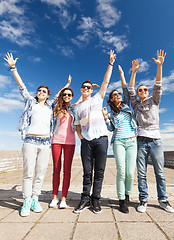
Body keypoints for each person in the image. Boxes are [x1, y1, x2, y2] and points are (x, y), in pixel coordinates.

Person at [4, 52, 70, 217]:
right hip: (30, 141)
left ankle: (35, 198)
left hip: (46, 143)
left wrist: (67, 84)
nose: (41, 92)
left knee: (40, 173)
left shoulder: (50, 106)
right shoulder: (30, 102)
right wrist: (13, 68)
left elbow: (59, 96)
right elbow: (22, 86)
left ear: (48, 95)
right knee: (28, 173)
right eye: (39, 90)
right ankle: (26, 201)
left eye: (44, 91)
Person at [128, 50, 174, 213]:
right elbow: (130, 89)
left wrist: (160, 66)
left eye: (144, 90)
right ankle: (143, 200)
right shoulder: (135, 105)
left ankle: (163, 200)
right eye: (140, 90)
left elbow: (158, 85)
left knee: (159, 173)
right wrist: (133, 72)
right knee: (141, 173)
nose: (142, 92)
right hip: (141, 141)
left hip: (156, 141)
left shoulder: (154, 100)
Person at [73, 50, 116, 214]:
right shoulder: (78, 107)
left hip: (101, 140)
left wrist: (110, 63)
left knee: (99, 172)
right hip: (86, 141)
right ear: (81, 89)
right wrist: (81, 137)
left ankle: (95, 200)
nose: (85, 89)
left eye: (88, 87)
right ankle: (84, 200)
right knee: (86, 171)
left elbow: (106, 81)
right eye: (83, 87)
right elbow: (77, 124)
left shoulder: (98, 98)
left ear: (92, 89)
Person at [102, 65, 137, 214]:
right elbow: (110, 129)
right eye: (114, 95)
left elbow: (126, 88)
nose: (118, 95)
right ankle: (121, 200)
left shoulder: (127, 106)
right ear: (111, 99)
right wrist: (105, 118)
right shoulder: (111, 113)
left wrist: (122, 73)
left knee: (130, 172)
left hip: (132, 141)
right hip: (119, 142)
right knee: (121, 171)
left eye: (118, 94)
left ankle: (127, 194)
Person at [49, 78, 76, 209]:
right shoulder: (57, 107)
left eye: (69, 94)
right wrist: (67, 85)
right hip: (56, 141)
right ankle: (55, 197)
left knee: (67, 171)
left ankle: (64, 198)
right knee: (56, 169)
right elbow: (56, 96)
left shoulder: (74, 108)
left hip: (70, 142)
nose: (66, 96)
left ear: (72, 97)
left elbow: (84, 97)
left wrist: (90, 88)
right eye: (64, 94)